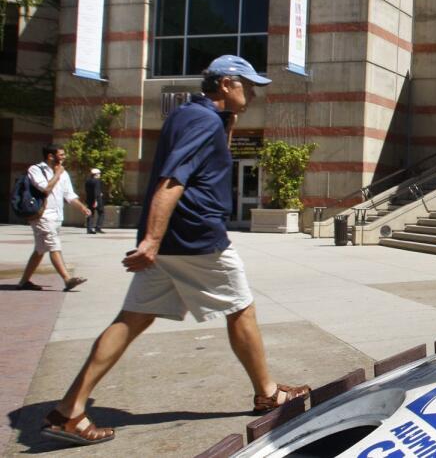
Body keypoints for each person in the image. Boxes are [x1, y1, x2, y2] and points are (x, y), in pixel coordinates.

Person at [41, 55, 309, 446]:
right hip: (196, 239)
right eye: (246, 85)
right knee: (241, 308)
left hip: (174, 241)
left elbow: (198, 167)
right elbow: (172, 180)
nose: (252, 92)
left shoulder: (192, 116)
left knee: (132, 318)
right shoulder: (202, 121)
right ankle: (268, 393)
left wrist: (228, 126)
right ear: (224, 84)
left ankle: (69, 410)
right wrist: (150, 241)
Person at [17, 144, 91, 291]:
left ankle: (24, 282)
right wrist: (57, 174)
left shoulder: (63, 173)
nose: (64, 157)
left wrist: (82, 207)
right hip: (42, 215)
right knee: (53, 245)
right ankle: (67, 279)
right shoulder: (36, 169)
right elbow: (45, 188)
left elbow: (69, 195)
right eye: (61, 155)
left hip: (56, 216)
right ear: (51, 156)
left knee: (40, 250)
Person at [85, 168, 105, 234]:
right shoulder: (97, 181)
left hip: (89, 199)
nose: (100, 175)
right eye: (99, 174)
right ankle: (98, 228)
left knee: (90, 213)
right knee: (101, 213)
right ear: (96, 174)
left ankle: (89, 228)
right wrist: (96, 200)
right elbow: (96, 191)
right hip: (97, 200)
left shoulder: (87, 181)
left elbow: (87, 191)